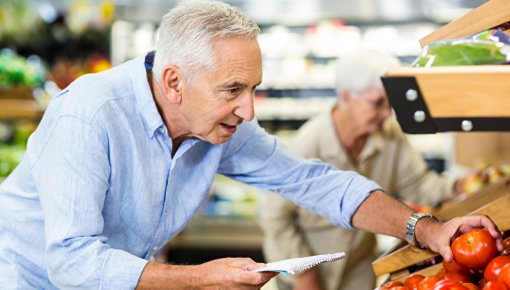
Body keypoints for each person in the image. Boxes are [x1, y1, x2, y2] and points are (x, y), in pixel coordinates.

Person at [0, 1, 502, 289]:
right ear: (174, 83)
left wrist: (427, 229)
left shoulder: (216, 127)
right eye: (233, 90)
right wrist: (201, 278)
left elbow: (312, 180)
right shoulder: (90, 116)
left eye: (254, 89)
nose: (249, 110)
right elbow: (71, 261)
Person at [258, 50, 468, 290]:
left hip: (358, 269)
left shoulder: (389, 136)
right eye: (378, 103)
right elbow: (275, 218)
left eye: (389, 103)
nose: (387, 113)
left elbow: (418, 185)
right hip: (305, 270)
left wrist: (457, 186)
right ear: (346, 97)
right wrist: (305, 275)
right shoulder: (308, 144)